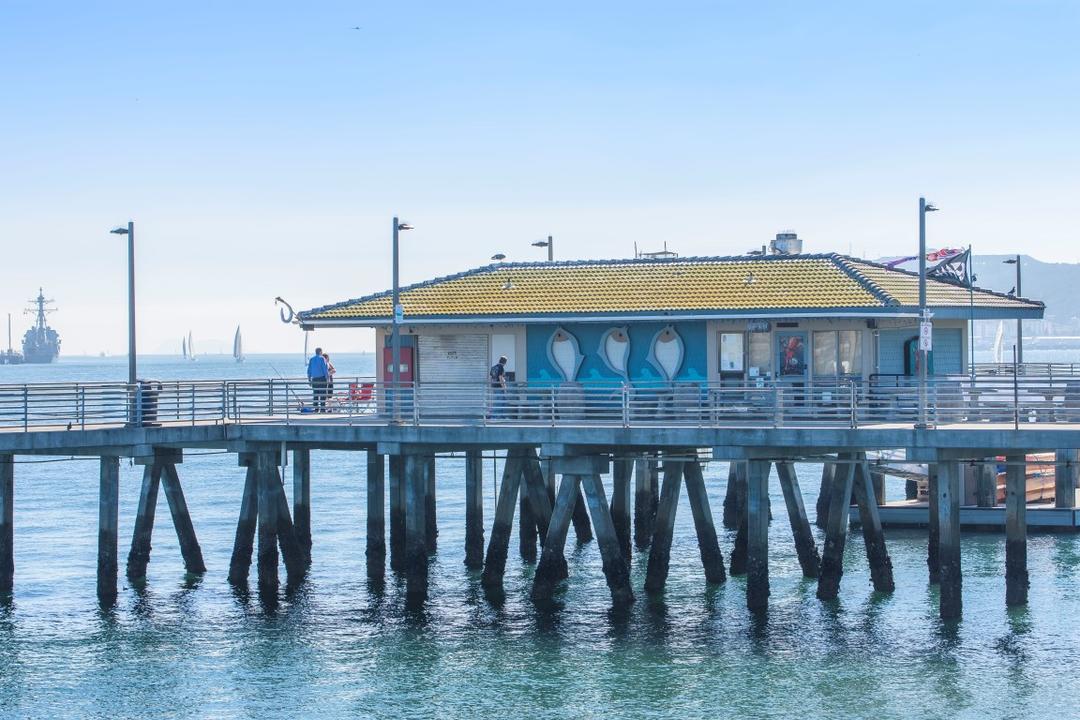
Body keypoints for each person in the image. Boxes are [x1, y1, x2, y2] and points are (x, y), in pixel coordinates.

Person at [307, 347, 330, 412]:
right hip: (322, 379)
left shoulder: (311, 359)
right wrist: (327, 379)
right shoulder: (322, 359)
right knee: (323, 394)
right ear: (320, 352)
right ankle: (322, 409)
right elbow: (325, 370)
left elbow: (309, 370)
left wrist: (309, 379)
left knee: (315, 394)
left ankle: (316, 409)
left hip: (314, 379)